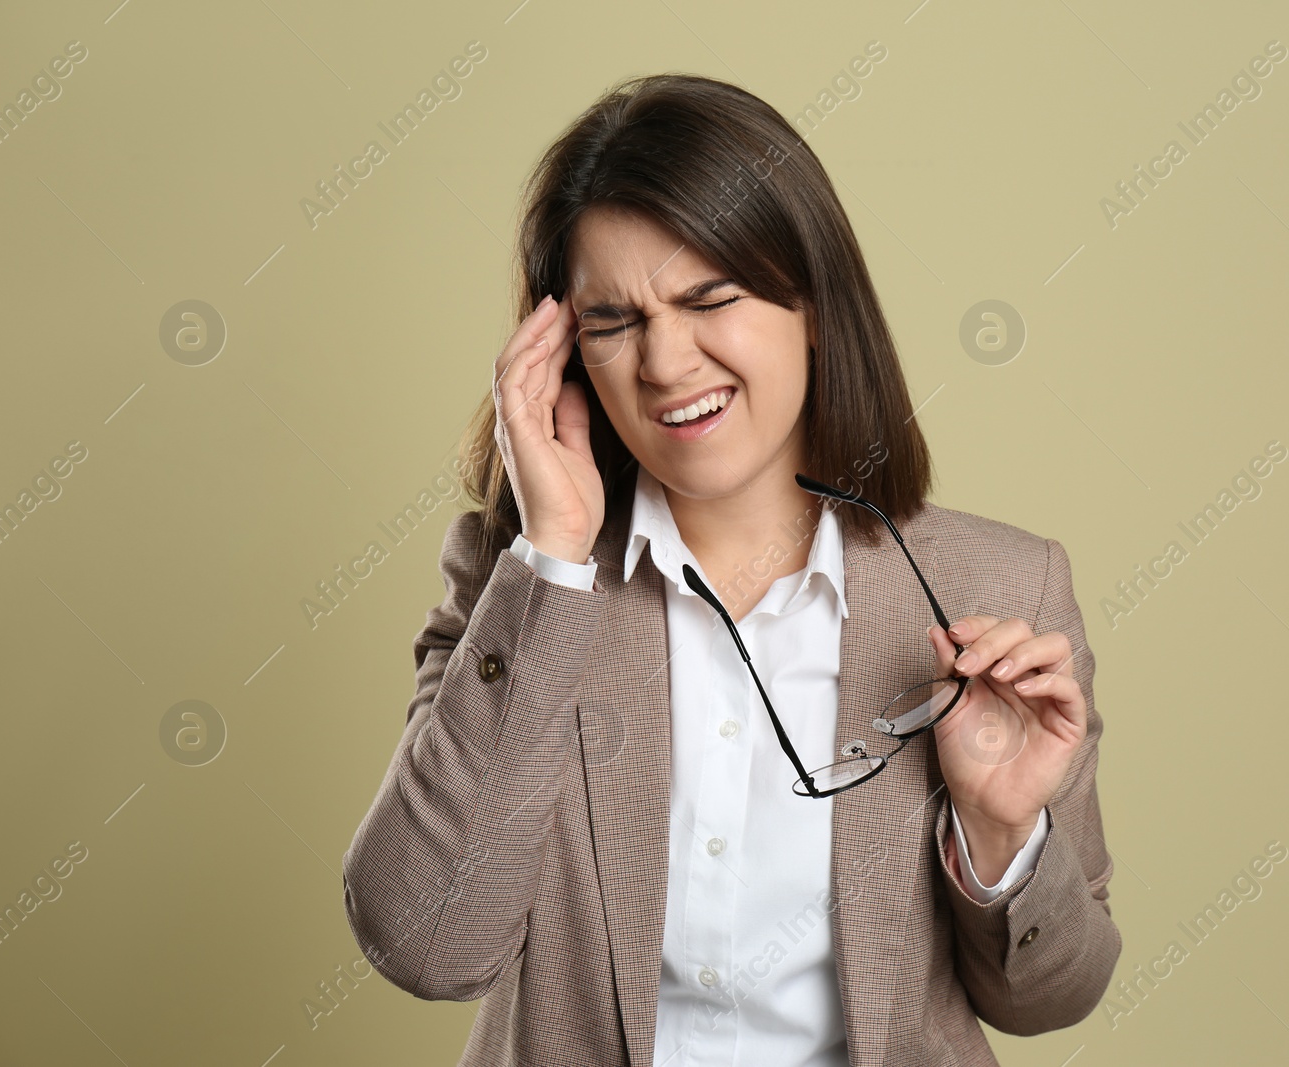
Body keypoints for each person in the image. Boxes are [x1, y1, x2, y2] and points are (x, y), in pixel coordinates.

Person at [342, 72, 1120, 1067]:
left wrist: (1000, 832)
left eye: (711, 297)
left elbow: (1054, 993)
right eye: (613, 322)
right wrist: (551, 555)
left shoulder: (1005, 586)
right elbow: (424, 943)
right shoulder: (521, 581)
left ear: (812, 304)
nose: (664, 361)